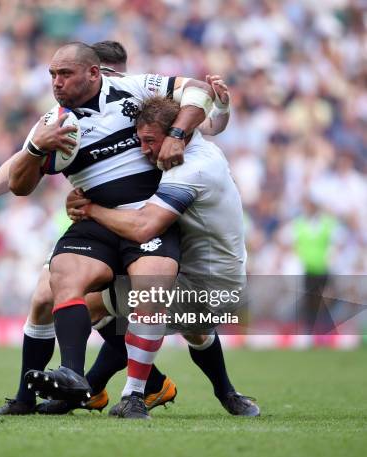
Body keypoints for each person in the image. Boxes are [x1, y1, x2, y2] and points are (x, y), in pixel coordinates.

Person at [8, 42, 216, 415]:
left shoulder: (134, 89)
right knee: (63, 277)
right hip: (96, 220)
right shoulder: (51, 124)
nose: (56, 83)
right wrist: (37, 150)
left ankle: (152, 392)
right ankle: (72, 376)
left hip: (150, 216)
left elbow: (200, 91)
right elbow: (19, 186)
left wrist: (177, 135)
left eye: (65, 74)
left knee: (165, 301)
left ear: (94, 73)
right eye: (52, 75)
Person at [67, 95, 259, 418]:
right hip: (213, 276)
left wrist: (89, 209)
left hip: (210, 284)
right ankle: (227, 394)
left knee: (124, 303)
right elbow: (212, 123)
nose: (144, 150)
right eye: (140, 141)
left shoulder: (191, 171)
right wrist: (223, 107)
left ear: (174, 134)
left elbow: (143, 227)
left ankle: (127, 394)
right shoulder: (201, 148)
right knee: (189, 325)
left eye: (149, 141)